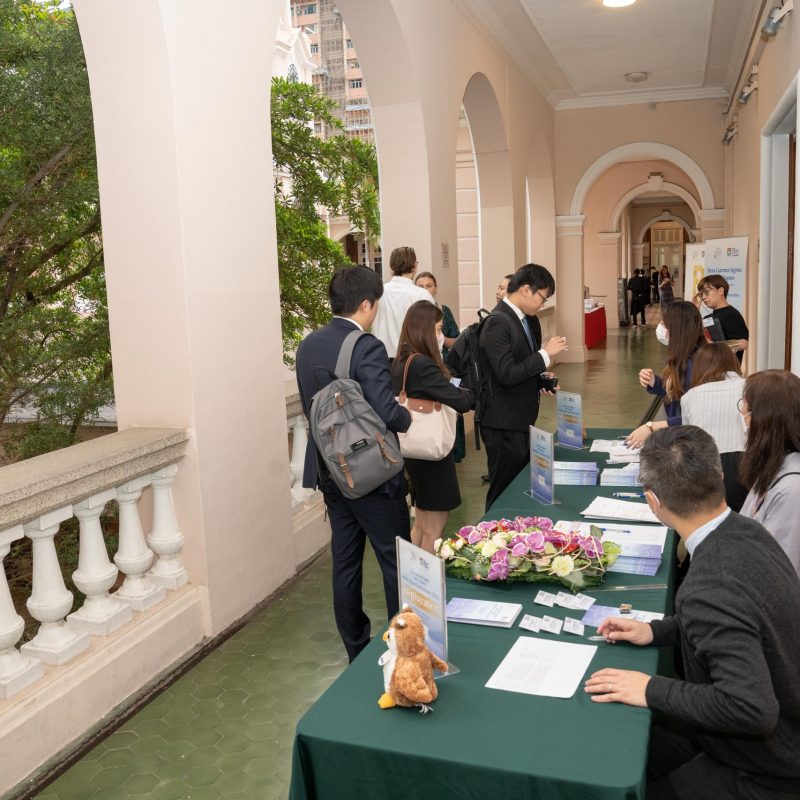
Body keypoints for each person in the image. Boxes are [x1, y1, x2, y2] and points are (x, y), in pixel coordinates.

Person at [584, 426, 800, 799]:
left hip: (767, 770)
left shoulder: (708, 586)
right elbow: (744, 617)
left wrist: (652, 688)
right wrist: (658, 631)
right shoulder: (748, 531)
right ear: (717, 475)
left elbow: (750, 708)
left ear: (653, 501)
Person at [295, 266, 412, 662]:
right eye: (375, 304)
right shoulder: (367, 346)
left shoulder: (308, 345)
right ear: (365, 303)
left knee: (344, 562)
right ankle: (404, 645)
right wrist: (406, 417)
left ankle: (356, 648)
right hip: (372, 475)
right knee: (395, 561)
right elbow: (385, 411)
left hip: (331, 472)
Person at [479, 263, 567, 511]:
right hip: (502, 423)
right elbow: (506, 374)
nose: (543, 303)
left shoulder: (526, 320)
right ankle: (491, 538)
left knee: (517, 486)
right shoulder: (498, 322)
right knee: (503, 492)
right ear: (527, 289)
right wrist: (544, 355)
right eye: (543, 297)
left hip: (519, 418)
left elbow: (520, 366)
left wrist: (540, 379)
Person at [391, 301, 474, 553]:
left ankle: (410, 582)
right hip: (432, 454)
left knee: (422, 522)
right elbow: (460, 401)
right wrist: (469, 392)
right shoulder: (423, 364)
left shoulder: (400, 361)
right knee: (434, 527)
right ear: (425, 331)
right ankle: (425, 586)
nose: (441, 336)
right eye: (438, 329)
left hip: (412, 451)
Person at [739, 370, 800, 573]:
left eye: (745, 409)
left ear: (763, 421)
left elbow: (774, 571)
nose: (743, 418)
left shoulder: (792, 489)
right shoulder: (772, 466)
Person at [626, 301, 705, 448]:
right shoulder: (679, 356)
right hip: (679, 437)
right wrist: (654, 382)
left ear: (677, 328)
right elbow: (675, 390)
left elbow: (693, 417)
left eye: (665, 323)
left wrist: (651, 427)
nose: (661, 326)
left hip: (689, 442)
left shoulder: (697, 365)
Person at [680, 343, 747, 511]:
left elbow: (687, 444)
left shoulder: (689, 397)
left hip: (707, 473)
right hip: (747, 471)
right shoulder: (749, 387)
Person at [414, 271, 466, 462]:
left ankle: (453, 451)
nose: (425, 289)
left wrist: (442, 339)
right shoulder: (414, 313)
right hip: (427, 368)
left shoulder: (444, 310)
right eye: (420, 286)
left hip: (445, 365)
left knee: (450, 408)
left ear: (435, 288)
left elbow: (456, 340)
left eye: (429, 285)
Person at [371, 246, 434, 360]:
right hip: (412, 362)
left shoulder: (378, 293)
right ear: (415, 266)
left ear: (391, 267)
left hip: (381, 359)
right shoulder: (422, 295)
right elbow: (431, 335)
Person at [697, 274, 749, 363]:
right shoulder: (708, 318)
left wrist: (715, 346)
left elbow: (743, 343)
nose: (704, 297)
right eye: (702, 294)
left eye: (707, 292)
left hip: (727, 371)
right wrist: (695, 309)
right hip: (710, 369)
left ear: (720, 291)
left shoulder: (731, 314)